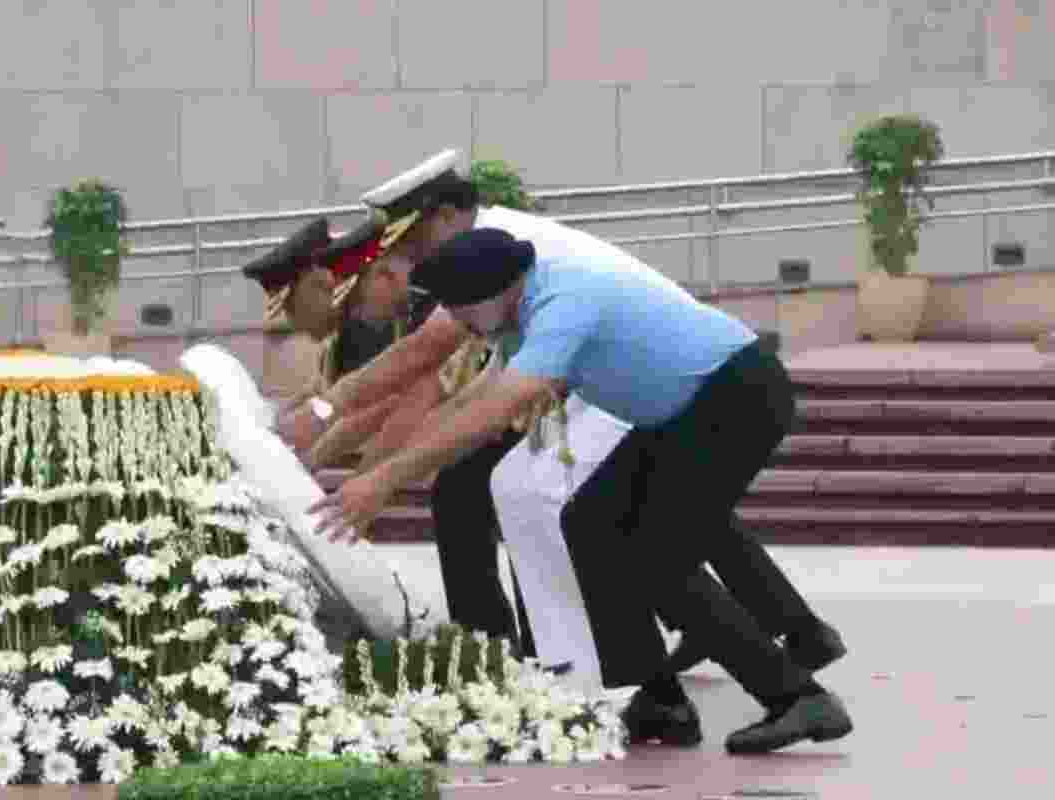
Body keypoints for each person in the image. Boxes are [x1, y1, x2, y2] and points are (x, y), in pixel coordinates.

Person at [276, 148, 845, 686]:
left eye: (414, 239)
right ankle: (737, 643)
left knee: (542, 501)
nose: (410, 259)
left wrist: (363, 460)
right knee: (645, 519)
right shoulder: (485, 254)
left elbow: (431, 362)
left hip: (653, 374)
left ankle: (545, 653)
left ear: (447, 216)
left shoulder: (506, 251)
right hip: (632, 378)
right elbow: (464, 385)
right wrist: (346, 454)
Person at [243, 215, 539, 656]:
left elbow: (402, 401)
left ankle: (516, 643)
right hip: (493, 414)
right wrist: (312, 462)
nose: (294, 321)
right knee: (462, 496)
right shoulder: (367, 327)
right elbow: (350, 410)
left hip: (522, 413)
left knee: (504, 502)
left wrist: (368, 479)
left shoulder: (426, 309)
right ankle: (492, 639)